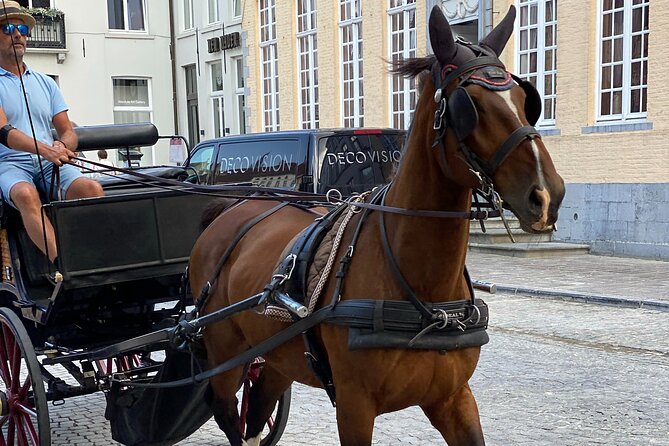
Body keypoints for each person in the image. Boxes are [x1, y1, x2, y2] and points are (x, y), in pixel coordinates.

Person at [0, 2, 103, 264]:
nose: (18, 35)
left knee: (92, 189)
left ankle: (97, 260)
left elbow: (67, 130)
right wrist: (46, 148)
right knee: (25, 194)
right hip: (9, 163)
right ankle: (65, 267)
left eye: (22, 29)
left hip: (49, 161)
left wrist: (62, 146)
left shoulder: (45, 82)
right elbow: (5, 132)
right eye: (8, 27)